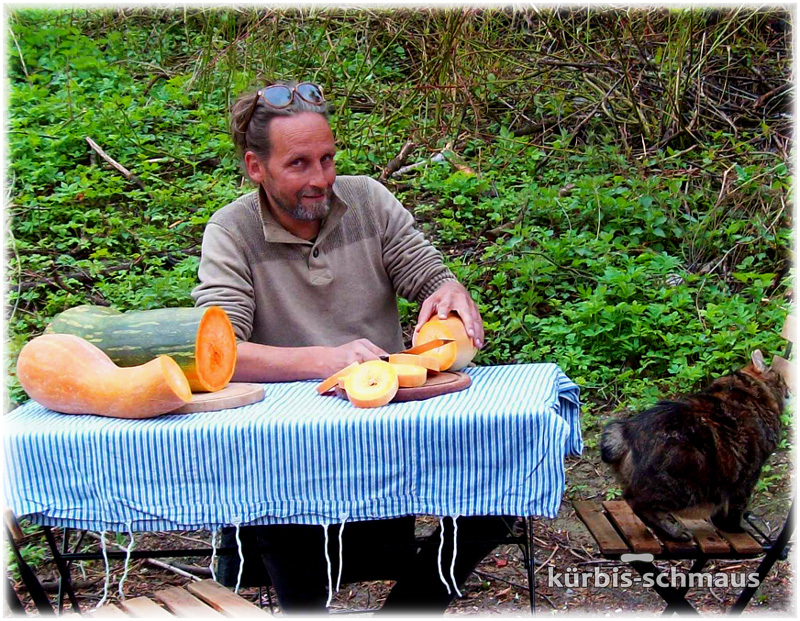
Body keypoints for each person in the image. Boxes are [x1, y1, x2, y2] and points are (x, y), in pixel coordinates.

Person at [192, 80, 512, 613]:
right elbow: (217, 353)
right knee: (280, 510)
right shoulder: (232, 231)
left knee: (501, 480)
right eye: (298, 164)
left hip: (389, 427)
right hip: (289, 449)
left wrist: (448, 291)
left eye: (328, 159)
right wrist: (325, 359)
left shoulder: (366, 200)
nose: (320, 179)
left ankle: (411, 606)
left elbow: (426, 274)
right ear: (256, 167)